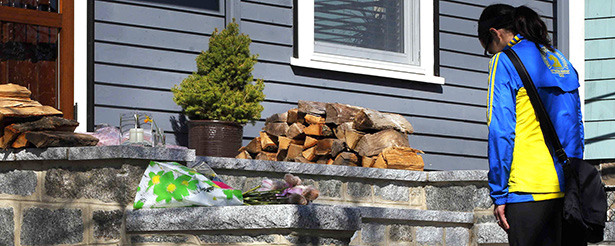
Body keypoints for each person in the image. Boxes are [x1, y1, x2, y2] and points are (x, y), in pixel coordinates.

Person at [478, 4, 585, 246]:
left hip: (528, 192)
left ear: (495, 34)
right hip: (568, 192)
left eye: (487, 48)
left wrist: (499, 193)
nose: (490, 53)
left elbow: (501, 131)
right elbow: (577, 126)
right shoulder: (560, 59)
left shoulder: (504, 61)